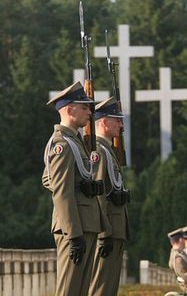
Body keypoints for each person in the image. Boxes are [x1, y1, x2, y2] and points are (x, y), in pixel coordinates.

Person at [42, 82, 105, 296]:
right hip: (75, 226)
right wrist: (73, 233)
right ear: (70, 110)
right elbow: (61, 191)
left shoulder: (75, 142)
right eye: (85, 107)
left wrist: (82, 186)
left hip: (85, 222)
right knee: (70, 289)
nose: (90, 112)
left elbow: (49, 179)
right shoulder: (62, 144)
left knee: (80, 289)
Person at [88, 97, 130, 296]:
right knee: (101, 287)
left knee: (110, 287)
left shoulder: (107, 150)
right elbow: (99, 195)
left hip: (115, 228)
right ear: (104, 122)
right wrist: (104, 233)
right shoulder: (98, 152)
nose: (121, 125)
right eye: (117, 120)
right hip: (108, 229)